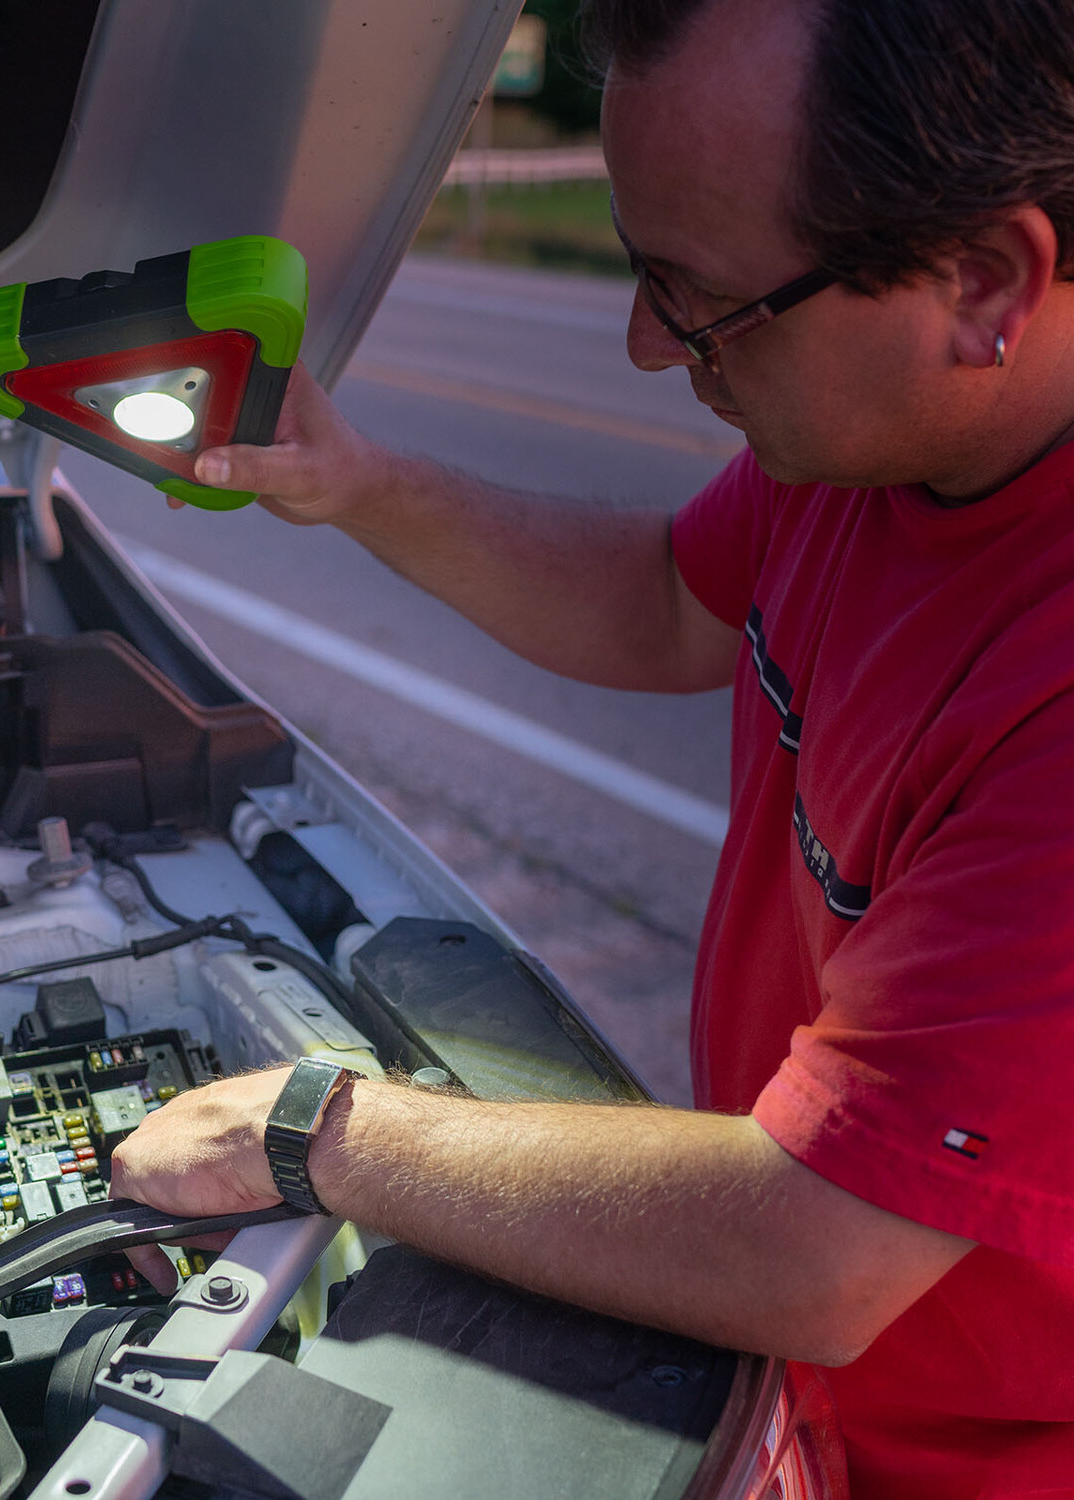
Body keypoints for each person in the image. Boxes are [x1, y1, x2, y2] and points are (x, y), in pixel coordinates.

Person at [110, 0, 1074, 1493]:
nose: (641, 344)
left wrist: (316, 1131)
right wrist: (356, 482)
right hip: (792, 1395)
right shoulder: (878, 442)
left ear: (984, 282)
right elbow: (667, 602)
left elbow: (818, 1244)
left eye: (699, 297)